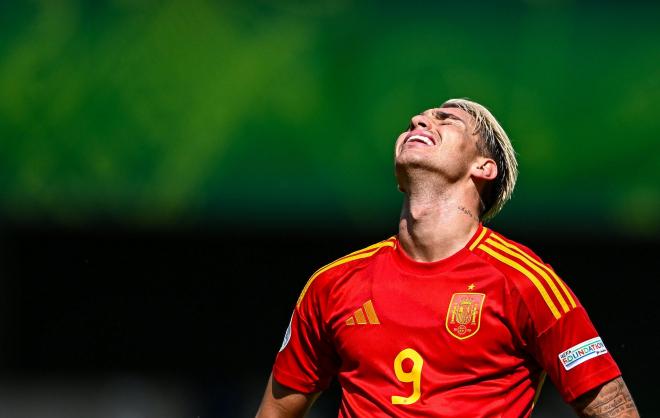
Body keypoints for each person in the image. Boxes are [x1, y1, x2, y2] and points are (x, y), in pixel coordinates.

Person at [255, 98, 639, 417]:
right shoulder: (332, 283)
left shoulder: (524, 280)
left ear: (483, 167)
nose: (419, 119)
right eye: (417, 120)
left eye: (447, 119)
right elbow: (276, 410)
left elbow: (613, 408)